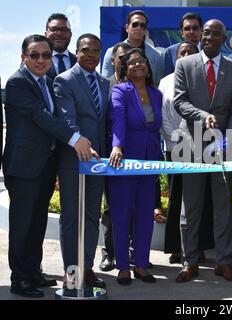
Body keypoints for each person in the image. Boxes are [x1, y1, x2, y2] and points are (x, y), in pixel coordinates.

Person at [4, 34, 94, 298]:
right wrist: (76, 139)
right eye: (34, 55)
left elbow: (57, 118)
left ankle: (32, 272)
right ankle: (19, 280)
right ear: (23, 57)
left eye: (45, 55)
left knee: (37, 222)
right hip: (23, 167)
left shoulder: (46, 81)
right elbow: (40, 117)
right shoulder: (17, 82)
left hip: (44, 165)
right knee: (22, 225)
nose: (41, 60)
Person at [173, 19, 232, 283]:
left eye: (215, 34)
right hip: (189, 142)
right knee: (189, 207)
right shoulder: (184, 64)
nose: (208, 37)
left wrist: (229, 138)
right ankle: (189, 261)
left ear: (224, 39)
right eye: (205, 33)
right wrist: (203, 116)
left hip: (222, 145)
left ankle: (224, 262)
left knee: (224, 206)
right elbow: (180, 101)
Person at [54, 33, 110, 289]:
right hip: (73, 160)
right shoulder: (64, 80)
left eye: (96, 51)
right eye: (86, 50)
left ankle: (87, 268)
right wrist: (81, 143)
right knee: (71, 218)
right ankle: (72, 272)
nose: (91, 55)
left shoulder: (104, 82)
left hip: (97, 163)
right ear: (76, 52)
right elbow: (67, 120)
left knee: (90, 217)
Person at [108, 48, 162, 285]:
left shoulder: (156, 93)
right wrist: (117, 146)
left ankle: (141, 263)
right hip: (126, 159)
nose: (138, 64)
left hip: (150, 159)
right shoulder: (120, 90)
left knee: (144, 214)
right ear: (125, 69)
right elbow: (118, 120)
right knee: (121, 213)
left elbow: (159, 127)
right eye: (133, 62)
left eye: (142, 61)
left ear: (148, 67)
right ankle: (122, 266)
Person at [159, 41, 214, 265]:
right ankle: (176, 247)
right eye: (182, 53)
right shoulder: (166, 81)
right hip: (175, 149)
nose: (186, 56)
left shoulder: (204, 79)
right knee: (177, 198)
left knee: (201, 199)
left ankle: (198, 247)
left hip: (203, 148)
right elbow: (164, 117)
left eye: (191, 53)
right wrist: (177, 144)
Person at [98, 41, 133, 272]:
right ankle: (109, 252)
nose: (124, 61)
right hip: (111, 155)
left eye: (129, 58)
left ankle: (129, 251)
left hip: (138, 153)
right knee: (112, 207)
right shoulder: (104, 86)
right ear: (113, 60)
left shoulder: (140, 86)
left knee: (134, 205)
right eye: (121, 58)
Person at [101, 10, 164, 85]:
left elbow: (159, 83)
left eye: (142, 25)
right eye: (135, 24)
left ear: (145, 30)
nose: (138, 28)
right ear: (127, 28)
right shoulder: (111, 52)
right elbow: (105, 83)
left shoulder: (156, 55)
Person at [44, 13, 77, 80]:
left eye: (64, 30)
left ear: (70, 34)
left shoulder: (79, 62)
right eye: (54, 29)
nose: (59, 33)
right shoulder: (35, 61)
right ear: (46, 34)